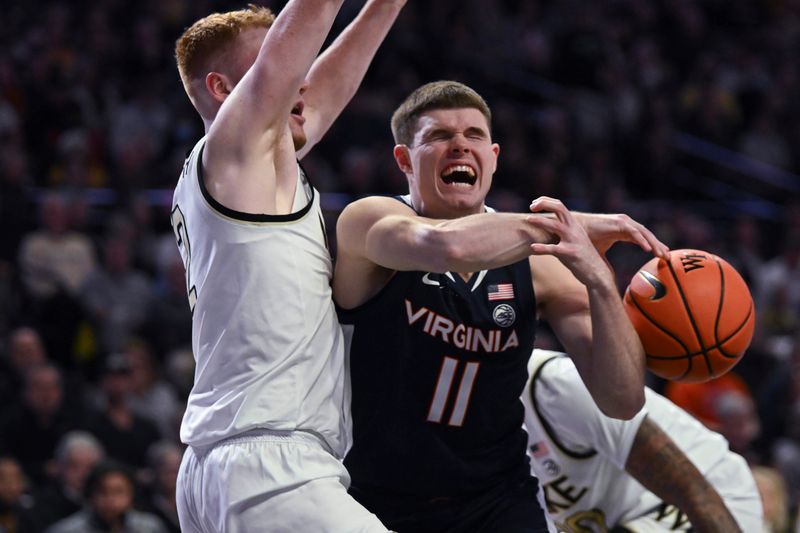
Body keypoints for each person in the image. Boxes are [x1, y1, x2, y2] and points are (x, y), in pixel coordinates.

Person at [334, 80, 669, 532]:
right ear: (403, 160)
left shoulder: (542, 266)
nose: (459, 146)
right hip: (374, 497)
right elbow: (444, 247)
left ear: (493, 158)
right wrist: (573, 226)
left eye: (473, 136)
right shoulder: (368, 221)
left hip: (497, 497)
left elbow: (623, 400)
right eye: (438, 136)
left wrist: (601, 282)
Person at [171, 1, 406, 531]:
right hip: (267, 459)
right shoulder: (230, 150)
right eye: (284, 63)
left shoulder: (256, 172)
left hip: (228, 463)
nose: (301, 80)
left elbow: (325, 91)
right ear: (222, 89)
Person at [523, 349, 763, 532]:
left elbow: (694, 490)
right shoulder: (490, 434)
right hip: (621, 519)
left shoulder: (557, 385)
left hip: (710, 499)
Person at [46, 460, 167, 533]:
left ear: (131, 494)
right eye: (103, 491)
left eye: (118, 491)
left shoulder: (150, 528)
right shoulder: (66, 531)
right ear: (91, 495)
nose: (110, 499)